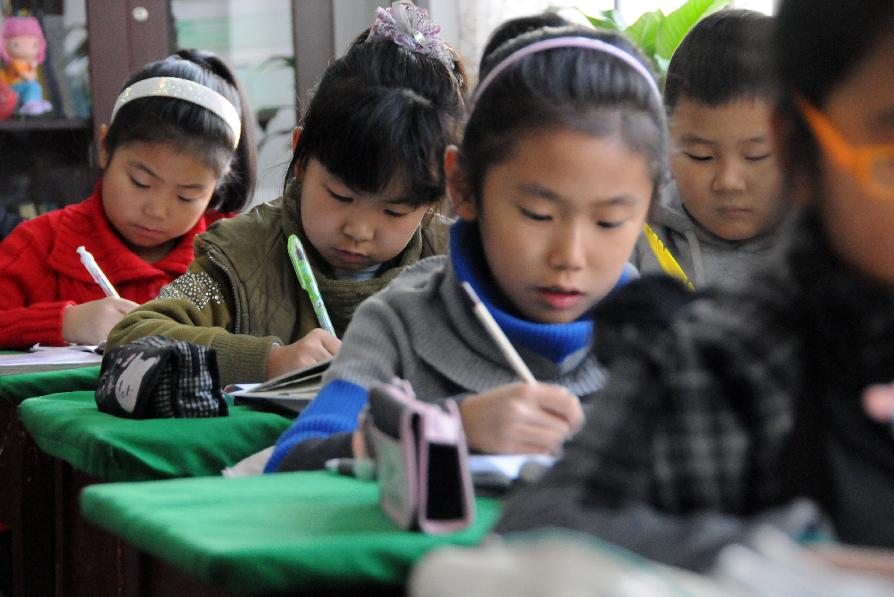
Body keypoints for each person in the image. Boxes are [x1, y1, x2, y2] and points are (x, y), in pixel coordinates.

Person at [497, 0, 894, 571]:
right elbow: (535, 528)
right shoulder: (704, 365)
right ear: (800, 151)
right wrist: (796, 556)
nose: (728, 180)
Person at [265, 24, 670, 473]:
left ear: (650, 205)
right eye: (538, 214)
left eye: (609, 222)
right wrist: (449, 429)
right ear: (462, 187)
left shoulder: (662, 338)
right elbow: (291, 468)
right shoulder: (401, 325)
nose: (570, 256)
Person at [107, 1, 467, 386]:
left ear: (435, 197)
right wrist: (268, 361)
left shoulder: (460, 260)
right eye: (340, 196)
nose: (359, 230)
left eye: (394, 212)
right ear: (300, 156)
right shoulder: (241, 256)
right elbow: (131, 339)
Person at [0, 49, 255, 348]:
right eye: (140, 182)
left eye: (187, 196)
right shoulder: (39, 244)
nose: (157, 210)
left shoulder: (238, 252)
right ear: (106, 147)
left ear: (216, 186)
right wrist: (64, 322)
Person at [632, 9, 791, 289]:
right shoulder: (633, 233)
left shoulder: (840, 245)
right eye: (700, 156)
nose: (728, 182)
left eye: (756, 156)